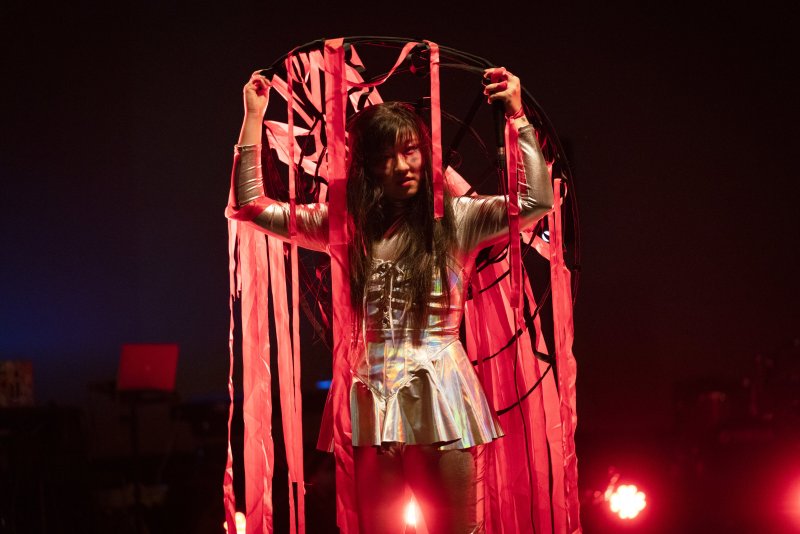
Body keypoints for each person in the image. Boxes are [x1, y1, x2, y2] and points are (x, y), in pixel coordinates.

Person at [228, 66, 553, 534]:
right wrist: (254, 116)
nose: (402, 167)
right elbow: (249, 207)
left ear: (425, 152)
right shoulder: (344, 224)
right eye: (386, 157)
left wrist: (518, 115)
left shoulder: (456, 219)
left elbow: (535, 203)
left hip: (443, 395)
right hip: (371, 399)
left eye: (411, 151)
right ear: (367, 167)